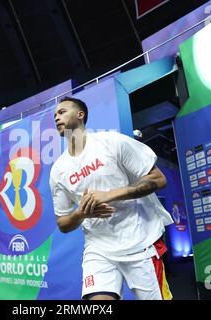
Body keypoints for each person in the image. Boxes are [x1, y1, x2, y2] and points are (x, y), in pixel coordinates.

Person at [49, 97, 174, 300]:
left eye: (62, 112)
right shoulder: (58, 170)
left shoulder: (112, 142)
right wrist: (81, 213)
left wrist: (109, 195)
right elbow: (63, 223)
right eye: (54, 115)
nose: (56, 117)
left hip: (139, 243)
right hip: (99, 249)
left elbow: (158, 179)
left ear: (80, 115)